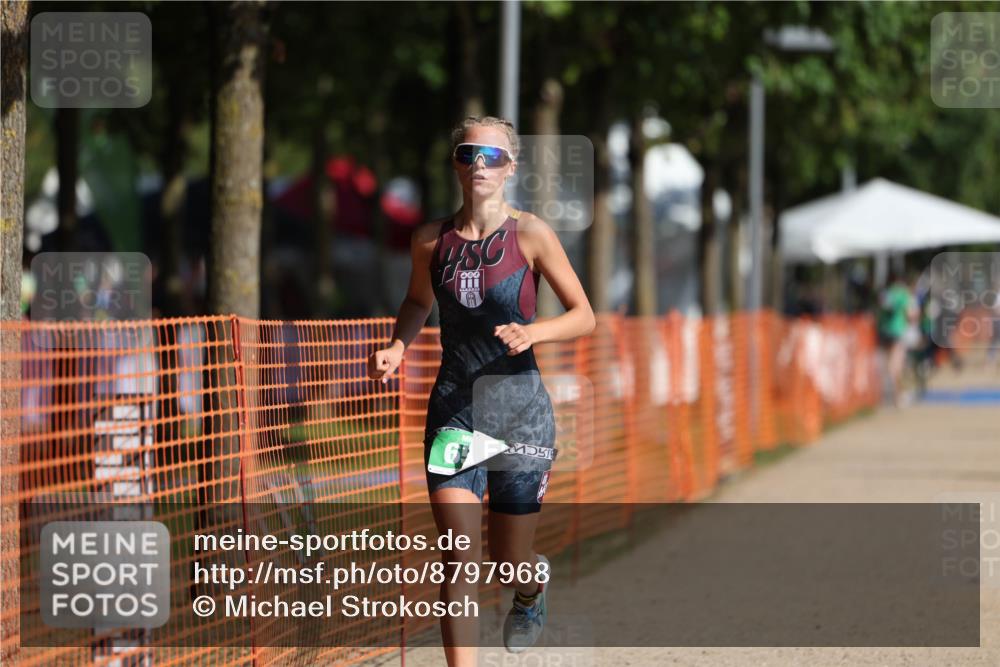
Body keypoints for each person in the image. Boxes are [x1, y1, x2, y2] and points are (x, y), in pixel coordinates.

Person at [367, 115, 595, 665]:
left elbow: (584, 315)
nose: (480, 165)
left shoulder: (532, 234)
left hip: (519, 411)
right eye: (470, 154)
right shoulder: (430, 240)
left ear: (511, 168)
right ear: (456, 164)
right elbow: (418, 302)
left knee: (507, 562)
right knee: (459, 559)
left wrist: (534, 331)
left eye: (492, 157)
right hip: (456, 411)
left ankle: (530, 586)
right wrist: (398, 345)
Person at [876, 271, 918, 407]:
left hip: (884, 331)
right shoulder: (903, 294)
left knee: (885, 362)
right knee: (896, 365)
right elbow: (910, 314)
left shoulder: (886, 293)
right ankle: (896, 396)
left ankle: (884, 394)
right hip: (897, 331)